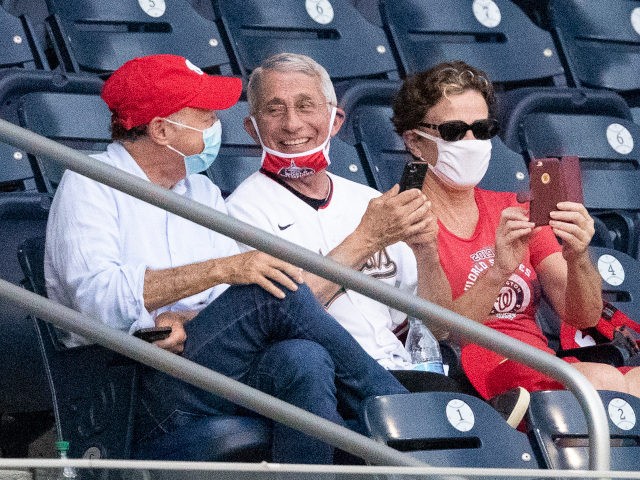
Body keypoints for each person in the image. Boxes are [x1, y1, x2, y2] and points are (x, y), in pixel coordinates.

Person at [44, 54, 410, 465]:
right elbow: (95, 299)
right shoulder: (90, 180)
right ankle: (408, 418)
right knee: (272, 290)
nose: (217, 124)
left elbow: (223, 306)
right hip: (133, 385)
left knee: (304, 359)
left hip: (201, 363)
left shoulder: (201, 192)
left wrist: (189, 316)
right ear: (162, 130)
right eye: (204, 115)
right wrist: (221, 271)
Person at [391, 59, 640, 400]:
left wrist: (578, 255)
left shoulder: (513, 208)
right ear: (415, 142)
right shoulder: (403, 216)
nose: (471, 140)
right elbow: (442, 332)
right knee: (598, 382)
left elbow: (582, 315)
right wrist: (497, 272)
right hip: (473, 376)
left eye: (482, 129)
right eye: (453, 130)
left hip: (541, 365)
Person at [225, 53, 458, 393]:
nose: (292, 123)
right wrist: (367, 238)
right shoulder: (240, 213)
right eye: (274, 110)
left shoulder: (367, 200)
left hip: (401, 369)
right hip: (325, 383)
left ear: (335, 120)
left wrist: (427, 252)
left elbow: (437, 327)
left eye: (306, 106)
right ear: (252, 128)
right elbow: (281, 319)